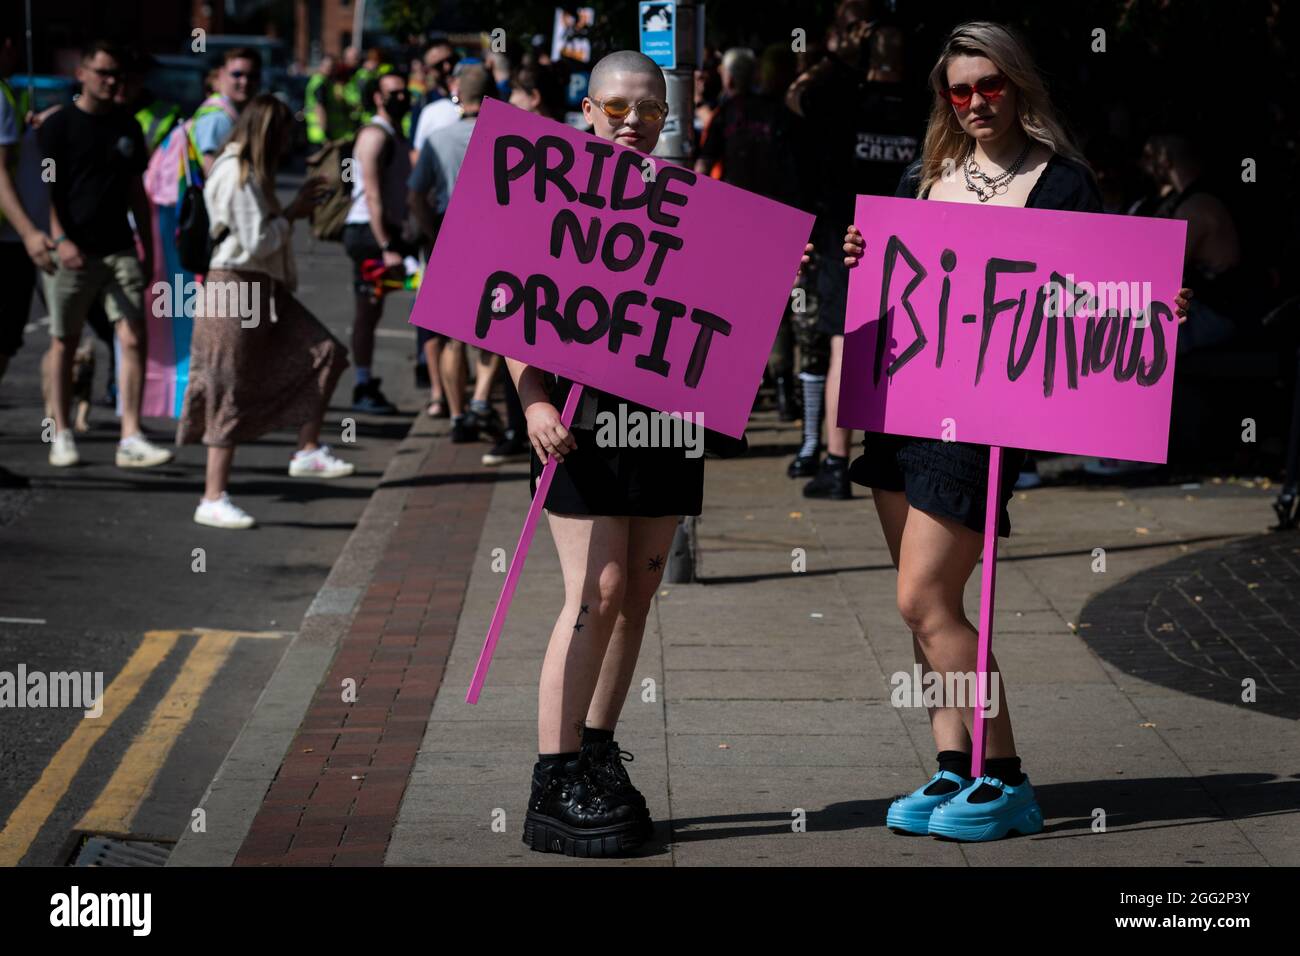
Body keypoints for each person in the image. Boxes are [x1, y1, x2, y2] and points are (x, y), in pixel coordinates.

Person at [841, 21, 1190, 842]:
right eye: (957, 91)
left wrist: (1152, 308)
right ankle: (951, 764)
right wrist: (857, 254)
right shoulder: (922, 174)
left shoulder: (1062, 182)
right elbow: (886, 280)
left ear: (1018, 84)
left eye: (988, 85)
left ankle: (1006, 778)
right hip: (902, 404)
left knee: (925, 597)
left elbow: (1103, 297)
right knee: (922, 614)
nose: (973, 103)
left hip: (984, 422)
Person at [510, 51, 698, 857]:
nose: (632, 121)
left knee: (640, 591)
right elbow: (506, 304)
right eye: (617, 107)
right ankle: (552, 782)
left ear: (666, 116)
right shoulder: (549, 191)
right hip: (578, 421)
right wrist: (534, 399)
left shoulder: (691, 200)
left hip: (664, 419)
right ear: (588, 110)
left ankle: (594, 751)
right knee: (596, 590)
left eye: (648, 109)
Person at [177, 94, 351, 529]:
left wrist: (293, 211)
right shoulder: (236, 171)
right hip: (233, 287)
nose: (287, 142)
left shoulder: (250, 170)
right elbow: (258, 241)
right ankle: (212, 496)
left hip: (259, 287)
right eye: (283, 133)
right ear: (266, 133)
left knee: (326, 351)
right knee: (227, 385)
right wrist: (292, 213)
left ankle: (306, 450)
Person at [787, 2, 921, 500]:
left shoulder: (839, 97)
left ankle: (836, 461)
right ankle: (896, 447)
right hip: (913, 242)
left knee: (846, 343)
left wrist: (835, 56)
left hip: (848, 238)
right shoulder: (922, 103)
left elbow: (795, 102)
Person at [37, 40, 171, 469]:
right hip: (71, 250)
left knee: (132, 335)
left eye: (117, 74)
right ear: (82, 72)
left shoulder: (128, 126)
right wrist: (59, 239)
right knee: (66, 341)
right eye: (103, 72)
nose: (111, 81)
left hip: (118, 248)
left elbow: (137, 193)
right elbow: (44, 190)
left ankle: (130, 433)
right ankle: (61, 430)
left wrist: (147, 249)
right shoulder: (57, 128)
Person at [341, 70, 413, 414]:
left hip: (383, 232)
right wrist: (387, 245)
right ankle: (362, 385)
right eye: (392, 93)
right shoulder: (374, 135)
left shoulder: (394, 134)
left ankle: (365, 381)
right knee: (367, 312)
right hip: (369, 234)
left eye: (403, 92)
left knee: (374, 309)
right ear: (377, 98)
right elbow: (371, 195)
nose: (400, 98)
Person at [0, 31, 53, 392]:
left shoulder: (7, 95)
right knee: (4, 333)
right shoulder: (1, 96)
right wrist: (30, 232)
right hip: (7, 236)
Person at [193, 47, 260, 174]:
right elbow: (211, 172)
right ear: (221, 74)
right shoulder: (217, 117)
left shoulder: (232, 112)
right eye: (237, 74)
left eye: (252, 76)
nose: (245, 81)